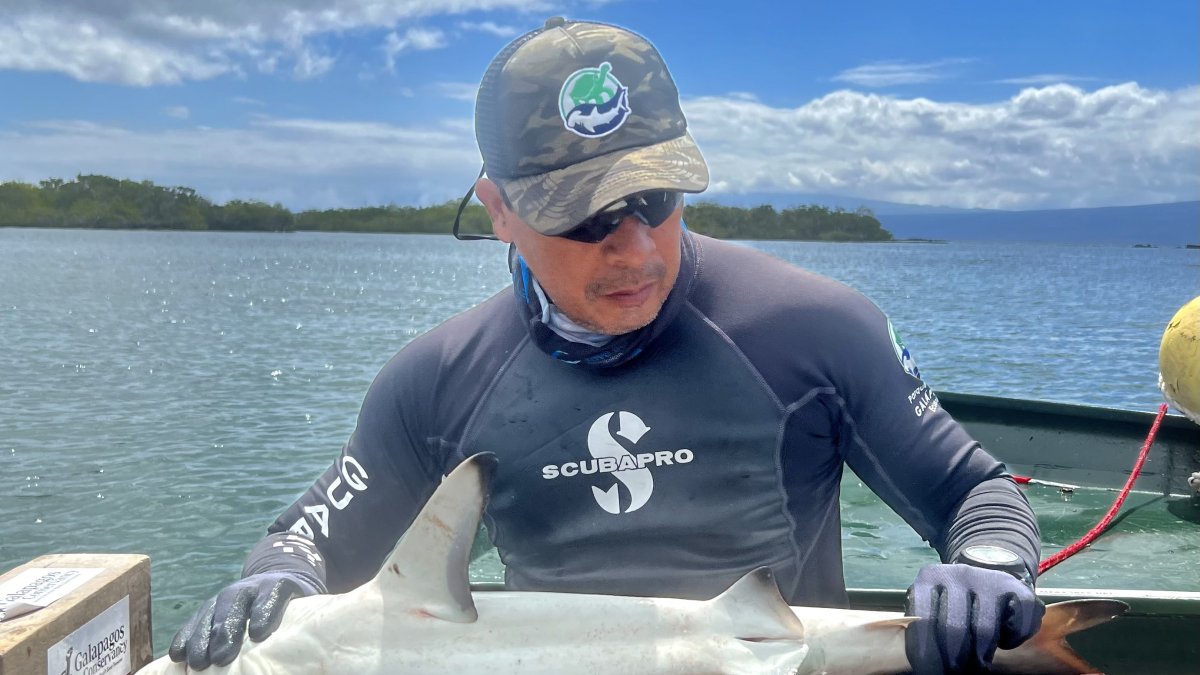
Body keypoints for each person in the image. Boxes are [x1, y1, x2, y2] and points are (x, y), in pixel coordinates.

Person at [168, 17, 1043, 674]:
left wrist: (988, 565)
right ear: (498, 207)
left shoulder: (814, 328)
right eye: (582, 218)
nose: (633, 249)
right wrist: (271, 580)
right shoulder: (435, 383)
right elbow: (309, 544)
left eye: (654, 199)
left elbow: (974, 491)